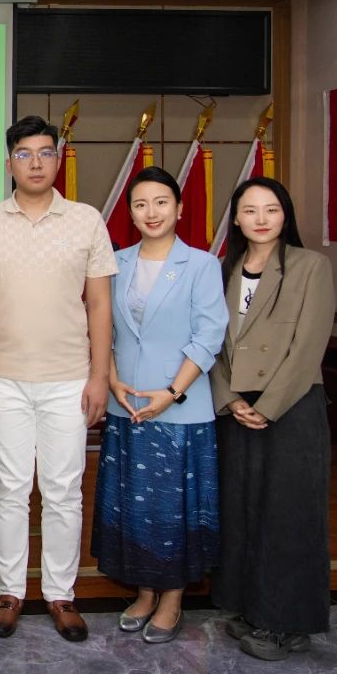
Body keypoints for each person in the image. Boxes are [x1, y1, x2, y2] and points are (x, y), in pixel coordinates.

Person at [0, 115, 117, 643]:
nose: (35, 163)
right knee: (8, 490)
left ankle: (60, 594)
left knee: (63, 491)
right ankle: (10, 592)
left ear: (58, 159)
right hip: (1, 378)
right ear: (9, 162)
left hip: (69, 378)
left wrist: (99, 376)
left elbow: (100, 305)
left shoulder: (86, 220)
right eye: (24, 154)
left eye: (45, 153)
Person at [91, 166, 228, 644]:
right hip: (126, 405)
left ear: (179, 208)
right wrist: (111, 378)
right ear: (130, 213)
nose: (151, 212)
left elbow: (209, 336)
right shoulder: (116, 262)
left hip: (180, 410)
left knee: (173, 509)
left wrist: (171, 393)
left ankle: (172, 598)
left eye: (161, 202)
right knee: (133, 505)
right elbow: (101, 327)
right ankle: (145, 592)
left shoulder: (202, 265)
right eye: (141, 204)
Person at [209, 177, 335, 662]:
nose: (261, 219)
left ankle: (285, 623)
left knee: (289, 516)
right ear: (236, 219)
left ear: (286, 215)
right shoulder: (224, 269)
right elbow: (212, 342)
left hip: (292, 405)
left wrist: (267, 405)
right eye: (249, 210)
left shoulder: (310, 266)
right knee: (243, 510)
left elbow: (309, 345)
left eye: (271, 209)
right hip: (236, 407)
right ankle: (251, 609)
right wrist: (229, 398)